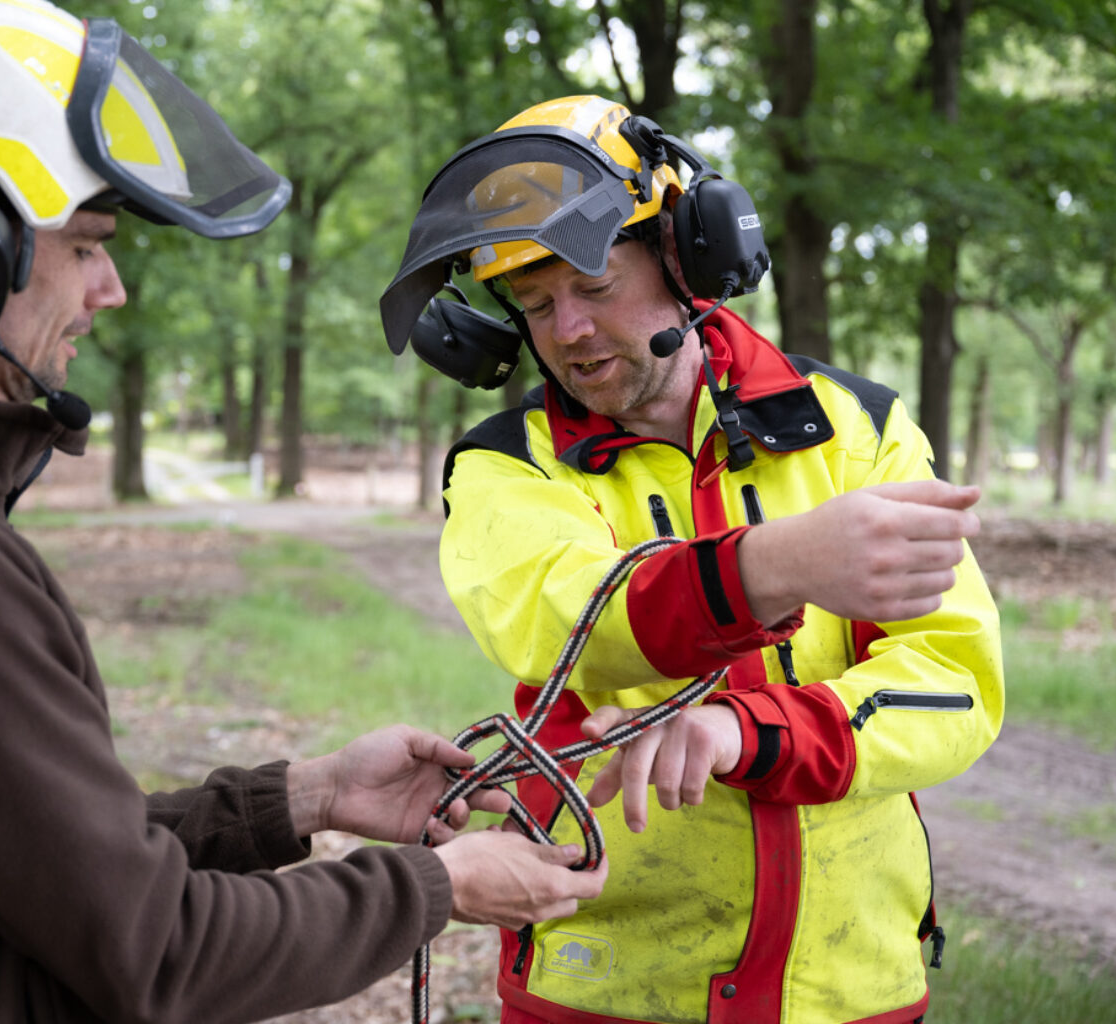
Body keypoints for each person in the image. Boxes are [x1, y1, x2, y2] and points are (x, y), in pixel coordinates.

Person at [0, 4, 607, 1022]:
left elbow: (41, 854)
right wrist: (445, 887)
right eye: (88, 244)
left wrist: (302, 798)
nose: (113, 287)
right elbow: (158, 949)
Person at [380, 96, 1004, 1024]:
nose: (569, 332)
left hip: (851, 986)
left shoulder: (857, 430)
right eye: (537, 304)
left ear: (687, 255)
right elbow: (565, 622)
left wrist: (750, 732)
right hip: (601, 987)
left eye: (594, 287)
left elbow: (953, 677)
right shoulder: (506, 464)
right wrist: (774, 565)